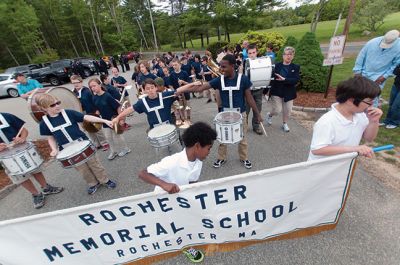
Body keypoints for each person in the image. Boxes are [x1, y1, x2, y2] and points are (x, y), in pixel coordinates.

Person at [138, 121, 217, 263]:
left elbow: (192, 182)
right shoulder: (171, 162)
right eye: (209, 148)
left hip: (180, 199)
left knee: (187, 221)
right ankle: (185, 246)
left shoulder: (198, 162)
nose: (209, 152)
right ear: (197, 146)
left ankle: (187, 239)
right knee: (175, 227)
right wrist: (164, 184)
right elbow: (143, 174)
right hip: (164, 202)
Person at [176, 54, 263, 169]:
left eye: (224, 67)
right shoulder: (219, 80)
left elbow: (249, 98)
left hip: (240, 114)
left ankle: (244, 158)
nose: (221, 69)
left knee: (242, 138)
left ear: (232, 66)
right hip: (224, 114)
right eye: (220, 66)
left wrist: (257, 114)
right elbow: (200, 88)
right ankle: (221, 158)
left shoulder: (243, 79)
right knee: (223, 137)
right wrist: (184, 88)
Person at [36, 93, 117, 195]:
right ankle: (93, 183)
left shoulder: (69, 113)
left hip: (83, 143)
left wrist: (104, 120)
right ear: (44, 108)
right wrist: (54, 149)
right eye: (52, 105)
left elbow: (87, 117)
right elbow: (50, 137)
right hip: (68, 150)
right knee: (82, 169)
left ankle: (105, 180)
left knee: (95, 164)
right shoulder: (44, 123)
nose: (57, 106)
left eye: (58, 103)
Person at [308, 76, 382, 160]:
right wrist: (354, 149)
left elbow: (369, 138)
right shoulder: (327, 121)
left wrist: (374, 121)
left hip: (344, 166)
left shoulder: (360, 115)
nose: (371, 105)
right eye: (369, 102)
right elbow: (317, 149)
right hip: (322, 169)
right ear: (351, 100)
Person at [0, 112, 64, 208]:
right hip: (5, 156)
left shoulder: (6, 116)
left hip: (21, 148)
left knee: (34, 168)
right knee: (19, 175)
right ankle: (36, 194)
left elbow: (24, 130)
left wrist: (22, 138)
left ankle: (46, 188)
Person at [112, 79, 187, 130]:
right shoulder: (142, 102)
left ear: (156, 88)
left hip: (170, 127)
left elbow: (180, 90)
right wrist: (118, 118)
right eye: (147, 88)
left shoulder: (165, 95)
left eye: (152, 87)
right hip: (155, 130)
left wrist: (193, 84)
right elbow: (130, 109)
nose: (150, 90)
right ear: (144, 90)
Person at [353, 29, 400, 105]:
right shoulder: (372, 42)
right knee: (359, 94)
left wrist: (384, 76)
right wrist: (357, 71)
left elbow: (396, 65)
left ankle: (371, 113)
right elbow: (361, 56)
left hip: (379, 77)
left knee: (373, 97)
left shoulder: (399, 46)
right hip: (363, 73)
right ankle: (358, 113)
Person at [88, 78, 130, 160]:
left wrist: (121, 119)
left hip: (114, 119)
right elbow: (97, 109)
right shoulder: (94, 97)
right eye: (91, 87)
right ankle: (113, 151)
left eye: (94, 86)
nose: (93, 88)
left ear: (100, 85)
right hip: (105, 121)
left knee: (118, 135)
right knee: (108, 137)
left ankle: (126, 149)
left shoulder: (107, 96)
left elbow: (118, 107)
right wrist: (94, 118)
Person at [266, 46, 300, 133]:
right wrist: (265, 91)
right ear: (283, 55)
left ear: (293, 56)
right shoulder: (277, 66)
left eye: (291, 54)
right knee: (277, 110)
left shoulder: (295, 67)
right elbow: (270, 78)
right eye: (287, 54)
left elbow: (295, 80)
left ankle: (284, 123)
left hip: (288, 92)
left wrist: (285, 79)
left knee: (288, 110)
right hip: (276, 91)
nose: (288, 56)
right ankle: (269, 115)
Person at [70, 75, 108, 151]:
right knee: (88, 129)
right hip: (80, 114)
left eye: (77, 82)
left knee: (97, 128)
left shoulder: (88, 91)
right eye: (73, 83)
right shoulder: (72, 93)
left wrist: (97, 111)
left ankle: (104, 143)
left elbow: (95, 101)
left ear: (81, 82)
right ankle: (96, 143)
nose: (75, 84)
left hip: (91, 112)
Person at [245, 44, 264, 135]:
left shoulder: (261, 63)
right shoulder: (244, 63)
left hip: (258, 90)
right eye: (250, 53)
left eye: (254, 52)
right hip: (247, 91)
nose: (252, 55)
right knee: (246, 110)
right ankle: (244, 126)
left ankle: (256, 126)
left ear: (257, 52)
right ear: (247, 54)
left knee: (258, 108)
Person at [381, 64, 400, 129]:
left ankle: (394, 122)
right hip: (396, 85)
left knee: (396, 106)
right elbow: (395, 71)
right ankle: (387, 120)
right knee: (391, 104)